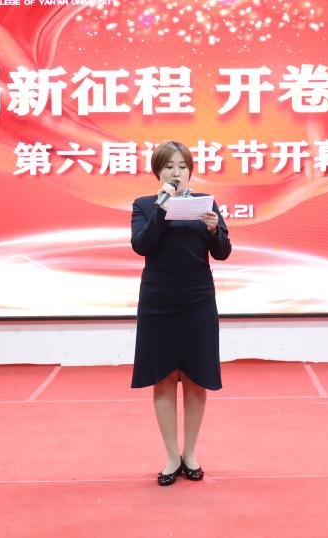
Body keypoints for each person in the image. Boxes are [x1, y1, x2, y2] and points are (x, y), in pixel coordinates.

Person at [130, 140, 232, 486]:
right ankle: (172, 456)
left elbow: (223, 253)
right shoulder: (145, 205)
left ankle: (190, 453)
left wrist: (214, 229)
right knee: (162, 377)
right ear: (157, 172)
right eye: (169, 167)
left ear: (190, 170)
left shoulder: (206, 203)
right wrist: (162, 206)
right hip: (158, 301)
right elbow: (142, 245)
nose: (176, 173)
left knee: (196, 377)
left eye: (182, 166)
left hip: (197, 299)